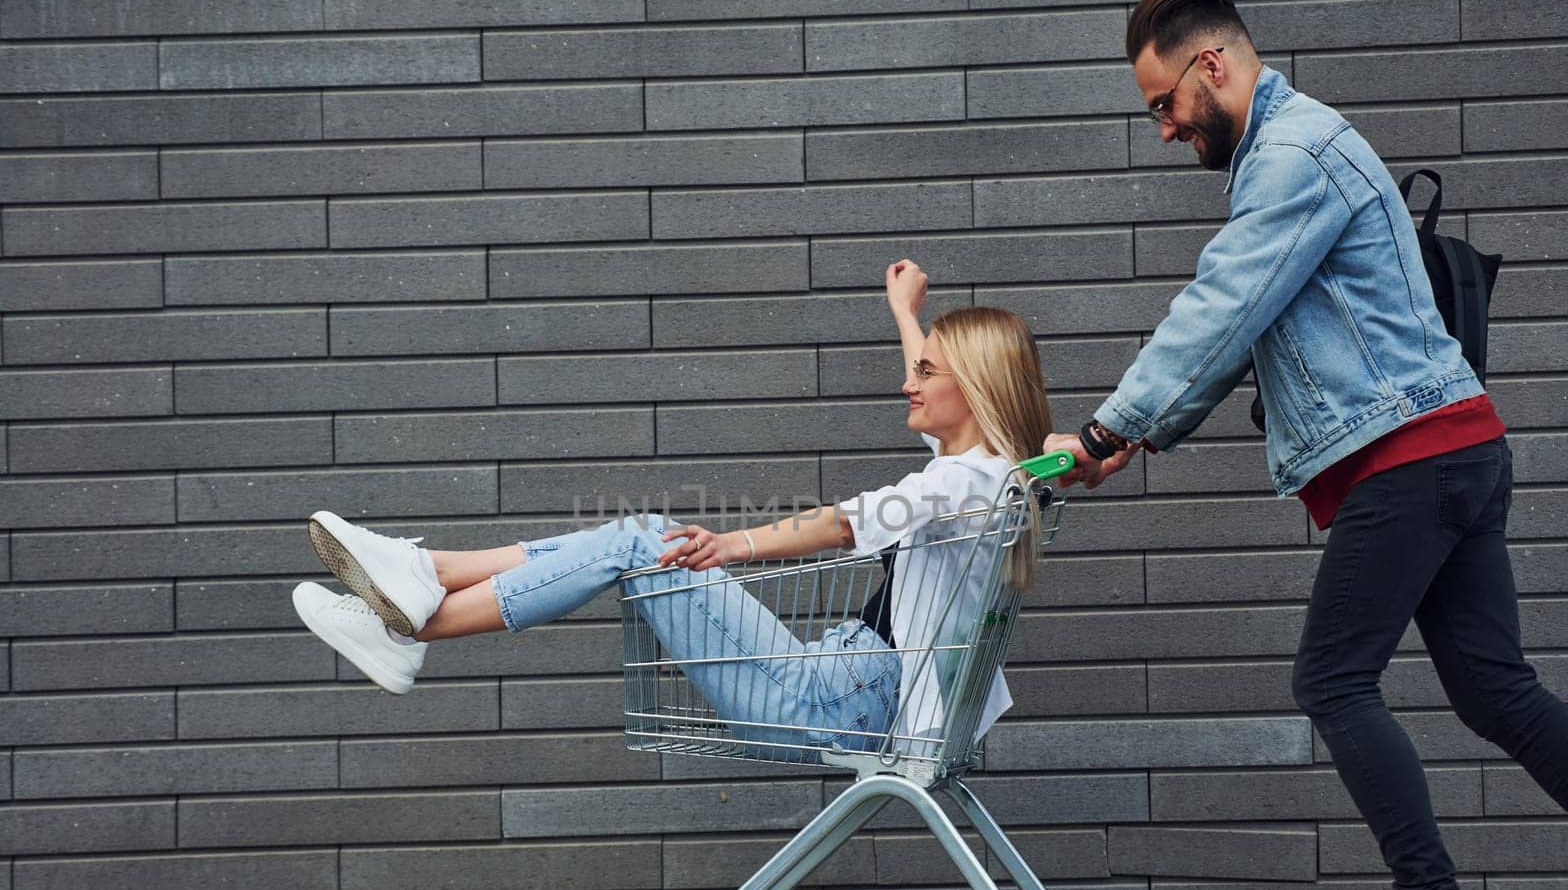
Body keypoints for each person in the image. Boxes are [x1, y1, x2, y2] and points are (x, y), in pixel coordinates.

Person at [1039, 0, 1568, 890]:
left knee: (1332, 680)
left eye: (1163, 101)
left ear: (1212, 64)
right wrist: (1136, 436)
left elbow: (1220, 304)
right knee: (1494, 689)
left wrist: (1107, 424)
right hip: (1451, 448)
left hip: (1410, 459)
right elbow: (1249, 326)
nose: (1162, 128)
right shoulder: (1292, 153)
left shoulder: (1292, 156)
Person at [292, 261, 1053, 759]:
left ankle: (417, 605)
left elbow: (844, 523)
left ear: (974, 386)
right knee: (638, 537)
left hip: (833, 699)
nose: (907, 383)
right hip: (842, 684)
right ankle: (418, 591)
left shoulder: (963, 483)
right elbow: (954, 397)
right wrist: (904, 313)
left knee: (642, 542)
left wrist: (730, 545)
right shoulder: (982, 474)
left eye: (924, 373)